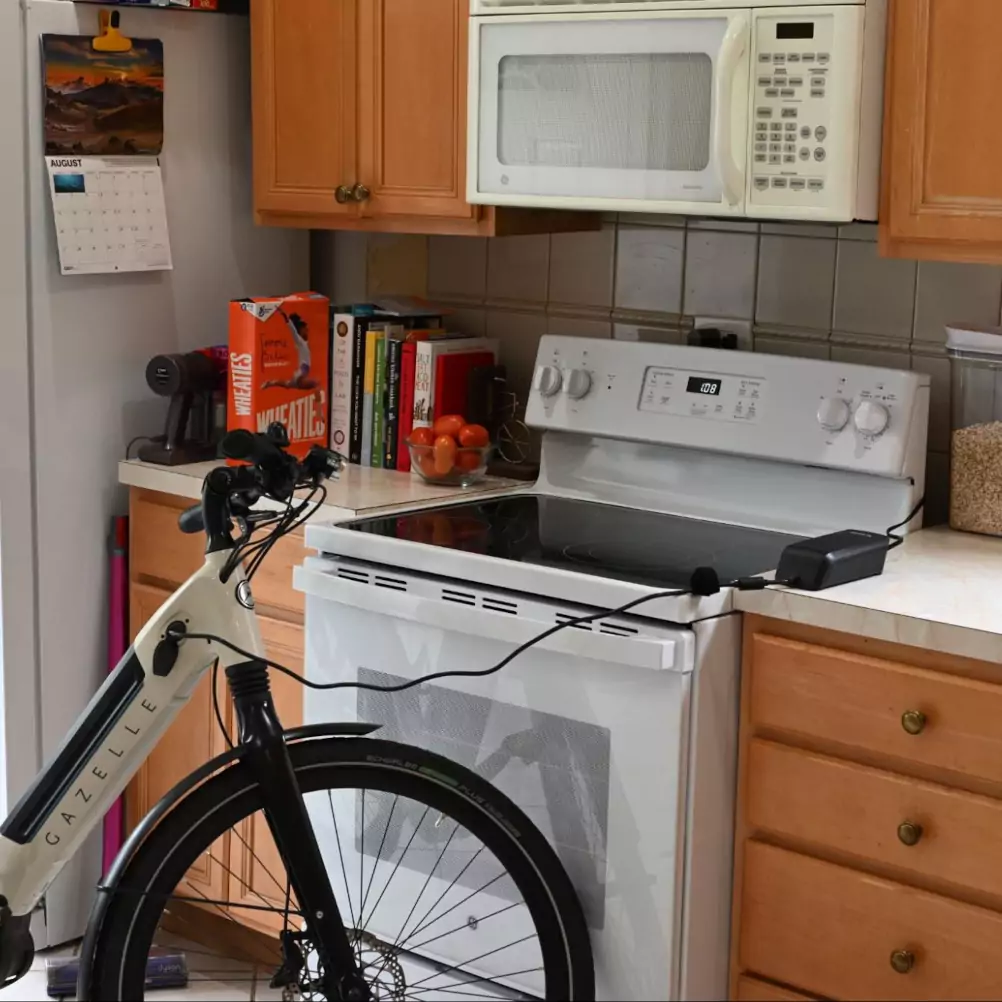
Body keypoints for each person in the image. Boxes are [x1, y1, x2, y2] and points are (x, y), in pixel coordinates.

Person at [262, 311, 319, 391]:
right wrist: (287, 320)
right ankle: (271, 383)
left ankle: (270, 383)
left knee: (287, 384)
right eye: (305, 330)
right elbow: (293, 332)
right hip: (302, 372)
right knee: (315, 383)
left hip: (301, 372)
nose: (307, 331)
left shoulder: (305, 342)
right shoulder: (300, 342)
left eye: (307, 329)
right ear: (301, 330)